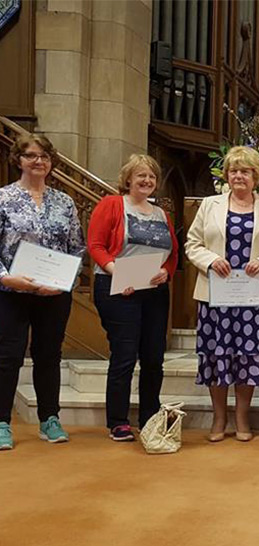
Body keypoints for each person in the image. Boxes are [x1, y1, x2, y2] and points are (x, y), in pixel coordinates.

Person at [185, 146, 259, 442]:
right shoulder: (210, 205)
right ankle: (219, 417)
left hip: (252, 297)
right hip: (216, 294)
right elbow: (192, 243)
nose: (240, 176)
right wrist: (211, 261)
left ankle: (241, 417)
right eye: (235, 170)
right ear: (226, 175)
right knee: (217, 355)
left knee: (248, 356)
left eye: (246, 171)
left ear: (256, 176)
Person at [0, 133, 85, 450]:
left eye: (45, 157)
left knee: (49, 356)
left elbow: (77, 248)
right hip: (12, 291)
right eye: (31, 156)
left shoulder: (65, 202)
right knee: (8, 357)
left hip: (53, 293)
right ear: (18, 160)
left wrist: (64, 282)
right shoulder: (3, 199)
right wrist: (7, 279)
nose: (39, 161)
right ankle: (2, 422)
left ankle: (50, 418)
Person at [88, 154, 178, 441]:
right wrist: (119, 274)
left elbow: (173, 254)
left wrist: (166, 271)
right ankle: (118, 420)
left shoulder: (161, 212)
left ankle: (150, 416)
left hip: (154, 291)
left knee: (153, 358)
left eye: (151, 176)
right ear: (128, 179)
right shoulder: (111, 205)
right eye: (141, 175)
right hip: (118, 288)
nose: (147, 180)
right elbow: (96, 245)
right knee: (125, 356)